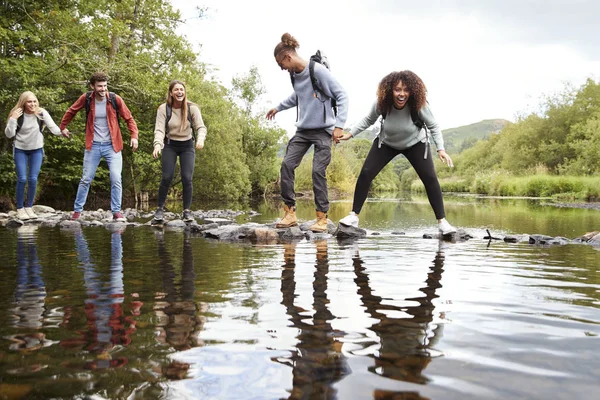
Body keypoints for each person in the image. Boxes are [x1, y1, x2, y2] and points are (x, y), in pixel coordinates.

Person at [338, 70, 457, 235]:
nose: (402, 94)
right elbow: (368, 120)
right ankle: (354, 216)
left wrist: (440, 149)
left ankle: (442, 222)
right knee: (366, 173)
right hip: (387, 143)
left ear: (412, 91)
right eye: (397, 90)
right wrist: (350, 134)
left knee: (430, 178)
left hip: (416, 143)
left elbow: (433, 125)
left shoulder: (419, 104)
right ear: (390, 90)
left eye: (406, 90)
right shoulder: (382, 103)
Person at [266, 33, 349, 233]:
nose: (281, 68)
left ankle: (321, 218)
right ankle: (290, 213)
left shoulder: (318, 71)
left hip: (323, 131)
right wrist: (278, 107)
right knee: (287, 165)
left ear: (288, 57)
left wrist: (339, 126)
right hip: (303, 131)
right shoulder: (294, 76)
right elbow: (298, 96)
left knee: (317, 171)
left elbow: (342, 95)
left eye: (280, 64)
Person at [60, 72, 139, 222]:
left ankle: (116, 211)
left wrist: (134, 136)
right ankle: (77, 211)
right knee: (86, 178)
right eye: (99, 86)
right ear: (92, 86)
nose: (103, 89)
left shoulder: (115, 99)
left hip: (113, 145)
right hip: (93, 145)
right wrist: (63, 127)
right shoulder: (87, 98)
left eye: (105, 86)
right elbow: (71, 111)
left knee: (116, 178)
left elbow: (129, 118)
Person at [4, 91, 68, 220]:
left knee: (33, 179)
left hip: (36, 150)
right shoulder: (17, 114)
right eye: (29, 102)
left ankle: (29, 207)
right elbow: (9, 134)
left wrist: (62, 132)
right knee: (22, 179)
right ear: (23, 103)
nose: (32, 104)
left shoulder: (41, 113)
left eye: (34, 101)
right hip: (20, 150)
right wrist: (12, 119)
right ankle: (20, 209)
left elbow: (53, 128)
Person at [152, 80, 207, 223]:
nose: (179, 92)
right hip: (169, 144)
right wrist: (157, 145)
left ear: (184, 92)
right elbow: (159, 130)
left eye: (181, 89)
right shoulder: (163, 109)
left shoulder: (192, 108)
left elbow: (201, 127)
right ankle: (159, 209)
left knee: (187, 177)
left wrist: (200, 139)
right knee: (167, 177)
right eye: (176, 90)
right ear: (171, 92)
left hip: (187, 146)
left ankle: (187, 212)